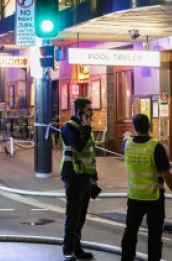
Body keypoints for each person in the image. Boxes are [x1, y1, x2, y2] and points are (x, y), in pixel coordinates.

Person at [120, 114, 172, 261]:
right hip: (154, 197)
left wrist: (127, 135)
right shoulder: (156, 147)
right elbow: (166, 174)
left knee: (130, 232)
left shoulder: (127, 144)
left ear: (134, 127)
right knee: (154, 235)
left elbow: (126, 139)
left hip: (134, 196)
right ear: (149, 127)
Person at [60, 97, 97, 261]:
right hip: (73, 175)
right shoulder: (69, 128)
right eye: (89, 110)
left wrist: (94, 176)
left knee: (81, 215)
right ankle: (68, 250)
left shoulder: (84, 127)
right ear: (80, 111)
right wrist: (87, 129)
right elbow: (79, 145)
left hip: (85, 176)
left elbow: (89, 153)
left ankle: (77, 247)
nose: (92, 113)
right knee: (73, 214)